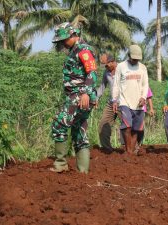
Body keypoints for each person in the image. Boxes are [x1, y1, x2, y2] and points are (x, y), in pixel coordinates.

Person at [50, 22, 98, 173]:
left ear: (73, 35)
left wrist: (85, 93)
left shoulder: (83, 50)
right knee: (79, 131)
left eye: (64, 39)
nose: (63, 43)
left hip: (79, 95)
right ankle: (83, 172)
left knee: (59, 124)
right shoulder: (74, 50)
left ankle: (60, 164)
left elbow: (92, 72)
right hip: (77, 96)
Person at [112, 44, 149, 156]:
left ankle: (131, 152)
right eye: (133, 58)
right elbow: (116, 84)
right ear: (129, 56)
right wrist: (114, 100)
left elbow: (145, 84)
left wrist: (143, 97)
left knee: (136, 129)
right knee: (127, 126)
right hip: (124, 101)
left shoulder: (142, 68)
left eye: (137, 59)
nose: (135, 60)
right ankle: (128, 151)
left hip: (139, 103)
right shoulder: (121, 67)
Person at [97, 53, 118, 152]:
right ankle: (107, 149)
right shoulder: (106, 73)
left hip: (123, 103)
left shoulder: (122, 69)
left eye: (106, 65)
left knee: (127, 126)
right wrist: (96, 98)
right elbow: (102, 87)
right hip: (111, 103)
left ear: (112, 61)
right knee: (103, 125)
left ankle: (131, 150)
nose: (106, 67)